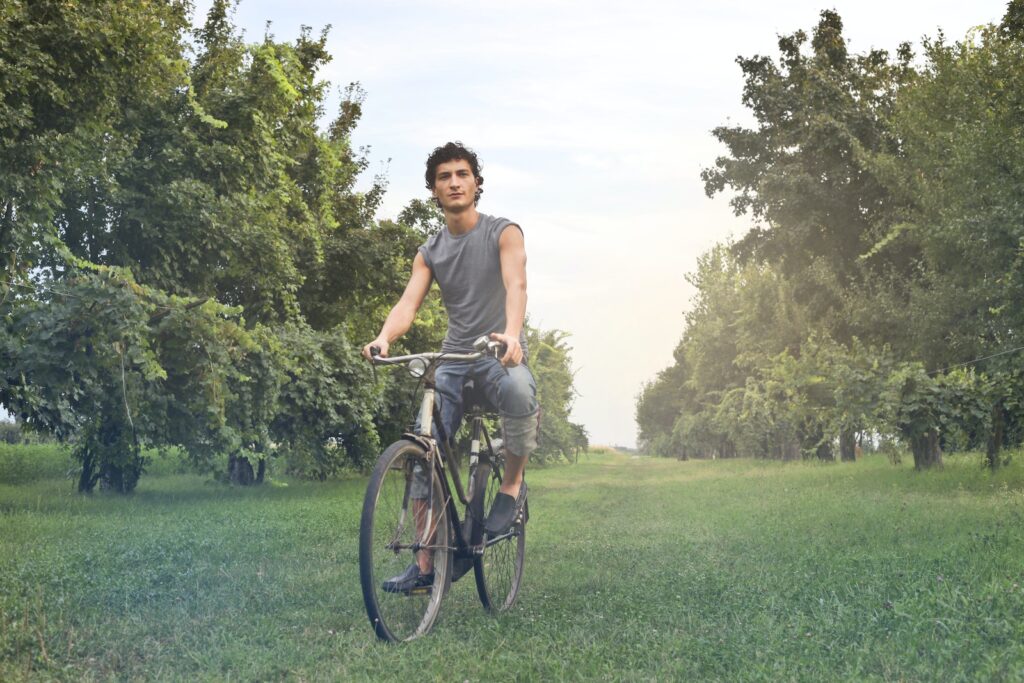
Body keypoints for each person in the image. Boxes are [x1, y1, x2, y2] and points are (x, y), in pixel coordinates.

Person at [363, 142, 539, 593]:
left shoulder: (504, 232)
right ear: (434, 190)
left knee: (520, 392)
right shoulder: (431, 250)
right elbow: (408, 304)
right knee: (423, 450)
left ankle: (512, 486)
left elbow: (515, 284)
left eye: (463, 174)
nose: (455, 182)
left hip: (497, 352)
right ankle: (426, 565)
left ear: (477, 183)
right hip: (455, 358)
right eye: (445, 177)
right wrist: (385, 337)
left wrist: (513, 334)